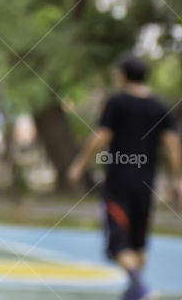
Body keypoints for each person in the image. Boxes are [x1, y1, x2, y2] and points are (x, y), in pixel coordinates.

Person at [68, 54, 182, 300]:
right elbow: (172, 143)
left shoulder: (117, 102)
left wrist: (79, 164)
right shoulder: (159, 105)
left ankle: (138, 286)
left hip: (118, 182)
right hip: (146, 183)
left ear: (122, 75)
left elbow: (101, 136)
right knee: (138, 243)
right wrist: (177, 179)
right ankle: (135, 290)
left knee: (118, 244)